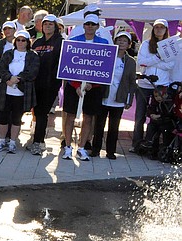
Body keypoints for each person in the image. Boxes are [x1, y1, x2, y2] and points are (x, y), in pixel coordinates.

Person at [61, 13, 109, 161]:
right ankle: (68, 147)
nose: (89, 26)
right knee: (69, 116)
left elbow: (104, 69)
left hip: (93, 88)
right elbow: (68, 66)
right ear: (84, 25)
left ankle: (81, 147)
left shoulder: (104, 43)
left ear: (97, 27)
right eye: (87, 24)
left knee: (88, 117)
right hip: (73, 86)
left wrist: (90, 84)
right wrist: (77, 85)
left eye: (92, 24)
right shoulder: (74, 41)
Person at [91, 31, 137, 159]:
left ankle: (110, 151)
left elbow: (132, 82)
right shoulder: (107, 56)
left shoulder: (131, 62)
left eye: (124, 41)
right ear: (114, 41)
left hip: (119, 98)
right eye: (119, 40)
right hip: (104, 95)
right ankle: (96, 149)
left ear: (129, 44)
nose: (121, 43)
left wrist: (129, 99)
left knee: (114, 127)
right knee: (99, 125)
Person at [0, 30, 39, 154]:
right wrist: (8, 78)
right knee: (2, 116)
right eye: (18, 40)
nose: (20, 42)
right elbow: (0, 67)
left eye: (23, 40)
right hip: (6, 90)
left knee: (16, 117)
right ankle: (2, 140)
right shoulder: (8, 54)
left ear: (27, 42)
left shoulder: (32, 55)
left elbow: (33, 71)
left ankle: (13, 142)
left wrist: (18, 79)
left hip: (21, 91)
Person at [132, 19, 174, 152]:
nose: (159, 30)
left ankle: (152, 142)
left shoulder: (170, 45)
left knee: (158, 115)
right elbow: (141, 62)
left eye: (162, 27)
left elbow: (170, 65)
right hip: (145, 84)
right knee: (140, 116)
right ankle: (137, 143)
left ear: (166, 30)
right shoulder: (145, 44)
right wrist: (157, 58)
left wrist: (152, 62)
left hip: (161, 85)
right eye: (156, 27)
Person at [27, 14, 64, 155]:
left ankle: (37, 142)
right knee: (36, 112)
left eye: (50, 24)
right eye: (45, 24)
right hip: (36, 83)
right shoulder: (37, 43)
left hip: (51, 84)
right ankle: (39, 140)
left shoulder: (60, 42)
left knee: (43, 113)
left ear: (56, 27)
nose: (48, 27)